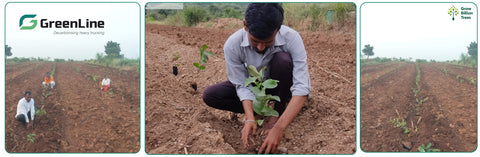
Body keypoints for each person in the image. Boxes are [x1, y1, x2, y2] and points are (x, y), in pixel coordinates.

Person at [202, 3, 310, 154]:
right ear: (245, 26)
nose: (260, 47)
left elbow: (302, 87)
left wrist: (278, 128)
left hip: (280, 84)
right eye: (255, 41)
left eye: (268, 42)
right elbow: (241, 84)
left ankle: (277, 113)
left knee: (283, 60)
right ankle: (259, 112)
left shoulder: (292, 38)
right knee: (211, 95)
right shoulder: (233, 44)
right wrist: (250, 118)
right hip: (255, 85)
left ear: (277, 30)